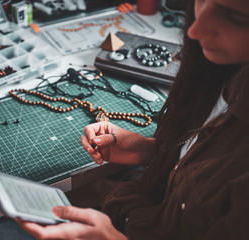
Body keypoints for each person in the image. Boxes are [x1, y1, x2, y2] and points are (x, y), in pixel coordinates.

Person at [17, 0, 249, 239]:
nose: (194, 30)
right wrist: (148, 150)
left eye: (234, 16)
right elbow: (197, 163)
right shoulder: (217, 70)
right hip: (135, 214)